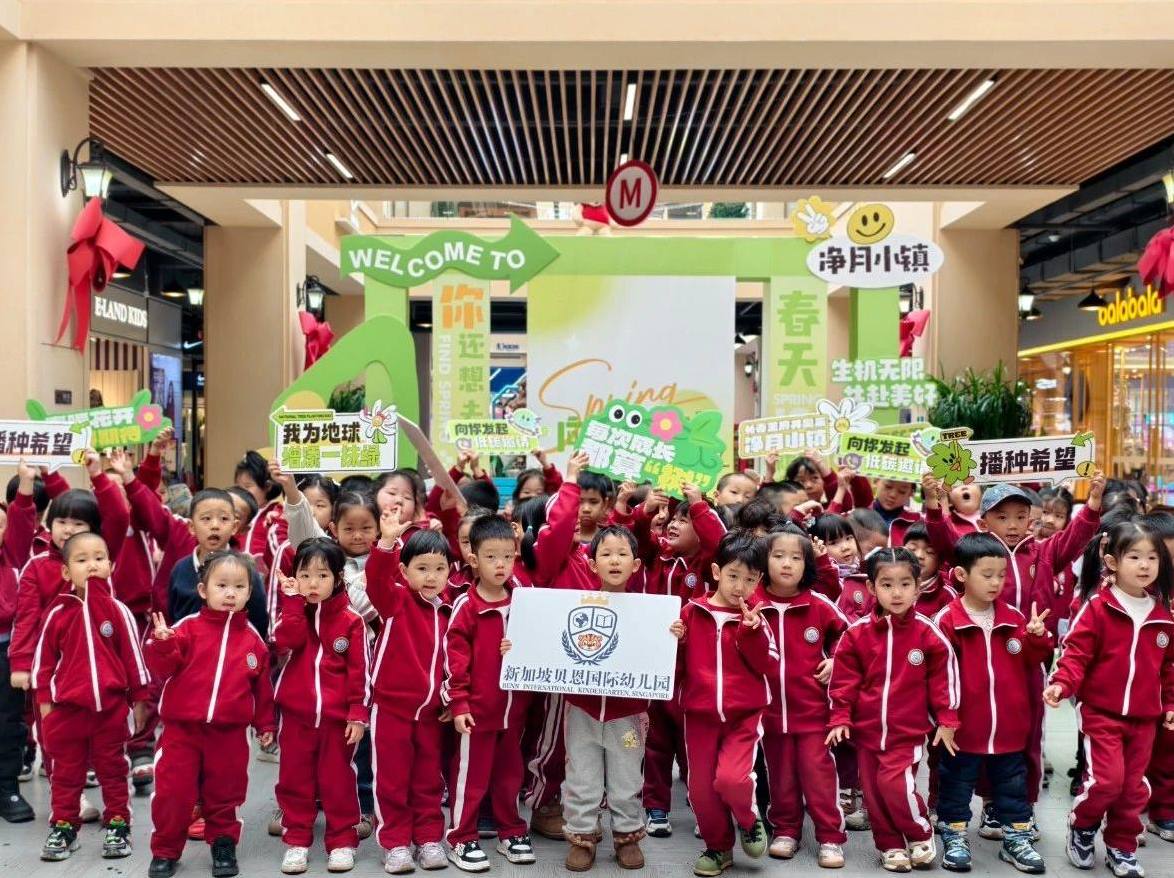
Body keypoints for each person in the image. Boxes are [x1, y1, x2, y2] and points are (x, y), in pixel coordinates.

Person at [1044, 520, 1174, 878]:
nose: (1145, 565)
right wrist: (1061, 684)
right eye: (1134, 556)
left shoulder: (1162, 613)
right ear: (1113, 562)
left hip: (1145, 718)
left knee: (1133, 788)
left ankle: (1122, 846)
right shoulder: (1098, 607)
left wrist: (1169, 705)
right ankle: (1083, 825)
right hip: (1101, 712)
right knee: (1106, 781)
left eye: (1152, 557)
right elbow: (1076, 654)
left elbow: (1168, 667)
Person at [826, 547, 960, 873]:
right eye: (887, 584)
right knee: (873, 794)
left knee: (896, 786)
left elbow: (943, 679)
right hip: (867, 733)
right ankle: (890, 844)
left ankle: (918, 832)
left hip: (907, 732)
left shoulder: (927, 632)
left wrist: (947, 718)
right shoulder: (856, 634)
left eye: (904, 584)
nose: (896, 593)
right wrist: (841, 716)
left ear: (917, 587)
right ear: (871, 587)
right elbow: (843, 681)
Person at [145, 550, 276, 878]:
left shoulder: (254, 642)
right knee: (173, 792)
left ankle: (223, 843)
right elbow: (162, 667)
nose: (230, 593)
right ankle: (165, 849)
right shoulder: (186, 629)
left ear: (250, 592)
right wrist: (162, 643)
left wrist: (265, 724)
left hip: (229, 735)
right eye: (222, 585)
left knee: (226, 793)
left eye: (239, 587)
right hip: (182, 731)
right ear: (203, 590)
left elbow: (262, 690)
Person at [932, 533, 1052, 873]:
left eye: (1001, 575)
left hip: (1010, 729)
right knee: (956, 785)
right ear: (961, 575)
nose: (996, 582)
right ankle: (954, 835)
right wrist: (946, 718)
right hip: (962, 731)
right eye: (987, 575)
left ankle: (1017, 839)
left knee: (1013, 787)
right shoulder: (947, 620)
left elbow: (1032, 660)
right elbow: (939, 676)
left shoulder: (1014, 617)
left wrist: (1037, 638)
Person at [616, 484, 727, 837]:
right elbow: (634, 537)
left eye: (685, 519)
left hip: (692, 667)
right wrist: (645, 510)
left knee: (692, 742)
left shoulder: (706, 564)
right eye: (672, 519)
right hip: (652, 664)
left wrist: (698, 505)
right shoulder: (656, 555)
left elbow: (720, 543)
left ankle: (702, 806)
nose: (675, 524)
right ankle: (657, 808)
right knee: (655, 741)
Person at [32, 531, 149, 862]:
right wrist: (46, 708)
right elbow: (43, 665)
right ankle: (64, 827)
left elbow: (133, 658)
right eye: (82, 560)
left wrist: (140, 699)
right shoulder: (57, 614)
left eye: (99, 558)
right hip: (67, 712)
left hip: (110, 711)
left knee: (113, 769)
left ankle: (118, 824)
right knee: (65, 774)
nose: (92, 565)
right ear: (66, 571)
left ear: (111, 565)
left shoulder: (118, 611)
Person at [676, 531, 778, 876]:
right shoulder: (692, 612)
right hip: (699, 715)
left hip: (744, 716)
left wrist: (752, 633)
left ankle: (749, 820)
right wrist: (676, 643)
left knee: (732, 780)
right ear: (717, 572)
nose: (740, 586)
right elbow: (675, 668)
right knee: (700, 791)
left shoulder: (757, 618)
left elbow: (768, 665)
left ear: (759, 581)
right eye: (733, 576)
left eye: (750, 579)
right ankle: (718, 848)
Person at [272, 538, 370, 874]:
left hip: (336, 720)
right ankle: (297, 840)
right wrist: (292, 603)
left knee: (338, 781)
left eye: (322, 575)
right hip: (296, 717)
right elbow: (287, 641)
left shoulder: (351, 620)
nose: (313, 583)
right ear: (294, 577)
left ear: (338, 578)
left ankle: (342, 840)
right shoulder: (291, 612)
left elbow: (360, 672)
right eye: (305, 575)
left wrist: (357, 713)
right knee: (294, 779)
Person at [560, 525, 655, 871]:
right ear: (592, 564)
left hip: (628, 714)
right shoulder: (573, 606)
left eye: (622, 554)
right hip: (581, 709)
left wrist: (674, 636)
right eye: (606, 554)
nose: (614, 560)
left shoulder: (651, 611)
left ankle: (627, 836)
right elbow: (552, 645)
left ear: (636, 564)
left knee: (627, 778)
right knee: (581, 776)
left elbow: (661, 657)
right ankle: (582, 837)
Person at [442, 514, 534, 871]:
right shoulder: (466, 607)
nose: (500, 564)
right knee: (470, 776)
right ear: (473, 559)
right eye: (491, 556)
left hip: (514, 711)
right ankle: (461, 837)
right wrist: (459, 703)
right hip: (477, 713)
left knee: (511, 775)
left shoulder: (523, 600)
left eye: (508, 556)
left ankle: (511, 831)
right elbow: (455, 660)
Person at [754, 524, 848, 867]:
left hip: (813, 714)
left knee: (818, 775)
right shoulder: (752, 604)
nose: (787, 564)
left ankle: (830, 836)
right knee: (780, 776)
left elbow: (848, 640)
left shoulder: (819, 605)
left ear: (807, 564)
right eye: (778, 556)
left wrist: (835, 661)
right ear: (763, 562)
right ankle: (786, 830)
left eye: (796, 557)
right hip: (768, 714)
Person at [365, 525, 454, 873]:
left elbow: (455, 660)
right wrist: (386, 543)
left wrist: (449, 698)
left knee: (429, 780)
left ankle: (429, 838)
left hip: (431, 714)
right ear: (403, 571)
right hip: (391, 710)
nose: (431, 577)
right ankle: (395, 843)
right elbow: (376, 581)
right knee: (391, 780)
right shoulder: (396, 600)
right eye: (422, 568)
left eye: (439, 568)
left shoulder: (448, 611)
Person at [0, 462, 38, 823]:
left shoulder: (11, 556)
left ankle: (7, 788)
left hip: (4, 651)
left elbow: (23, 523)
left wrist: (26, 482)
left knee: (9, 723)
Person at [902, 524, 955, 616]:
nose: (919, 555)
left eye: (930, 551)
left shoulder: (947, 595)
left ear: (940, 561)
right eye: (912, 549)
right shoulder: (887, 585)